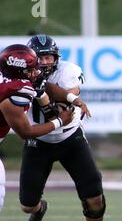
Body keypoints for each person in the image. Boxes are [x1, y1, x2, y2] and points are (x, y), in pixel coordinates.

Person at [19, 34, 112, 221]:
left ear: (56, 57)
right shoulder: (18, 76)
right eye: (40, 58)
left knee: (94, 195)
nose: (45, 62)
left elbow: (65, 102)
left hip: (70, 138)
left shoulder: (69, 71)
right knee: (27, 204)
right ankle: (39, 210)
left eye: (49, 57)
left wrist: (42, 86)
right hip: (38, 141)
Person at [0, 44, 73, 212]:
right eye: (30, 70)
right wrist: (59, 122)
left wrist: (72, 98)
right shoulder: (14, 92)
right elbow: (26, 133)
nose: (36, 72)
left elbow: (43, 86)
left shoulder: (9, 76)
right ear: (17, 72)